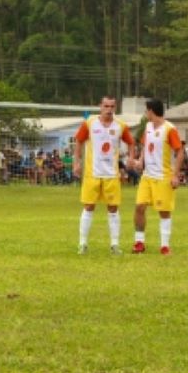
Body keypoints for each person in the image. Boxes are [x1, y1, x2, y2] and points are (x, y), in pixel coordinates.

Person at [73, 96, 135, 255]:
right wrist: (77, 162)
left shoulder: (120, 125)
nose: (109, 109)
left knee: (113, 208)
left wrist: (131, 157)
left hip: (111, 174)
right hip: (92, 173)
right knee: (88, 206)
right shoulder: (90, 123)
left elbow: (131, 142)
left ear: (115, 107)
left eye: (112, 106)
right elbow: (79, 141)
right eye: (106, 106)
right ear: (100, 106)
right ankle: (83, 243)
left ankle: (114, 245)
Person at [131, 98, 183, 254]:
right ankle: (139, 242)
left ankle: (165, 246)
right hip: (147, 176)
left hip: (162, 177)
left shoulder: (169, 129)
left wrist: (175, 175)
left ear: (151, 111)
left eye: (146, 110)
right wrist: (140, 160)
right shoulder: (147, 127)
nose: (146, 113)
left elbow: (180, 152)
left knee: (164, 212)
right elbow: (145, 145)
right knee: (139, 207)